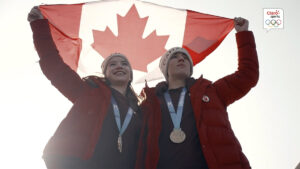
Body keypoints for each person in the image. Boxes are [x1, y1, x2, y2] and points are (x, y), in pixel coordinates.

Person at [135, 17, 259, 169]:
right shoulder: (148, 101)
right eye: (174, 57)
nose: (181, 58)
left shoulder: (212, 92)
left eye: (185, 57)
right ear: (166, 69)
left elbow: (247, 75)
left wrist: (243, 34)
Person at [28, 6, 142, 169]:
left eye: (124, 64)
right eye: (112, 64)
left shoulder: (140, 110)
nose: (119, 66)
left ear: (130, 75)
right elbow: (53, 64)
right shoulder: (89, 91)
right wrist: (38, 25)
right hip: (76, 163)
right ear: (105, 73)